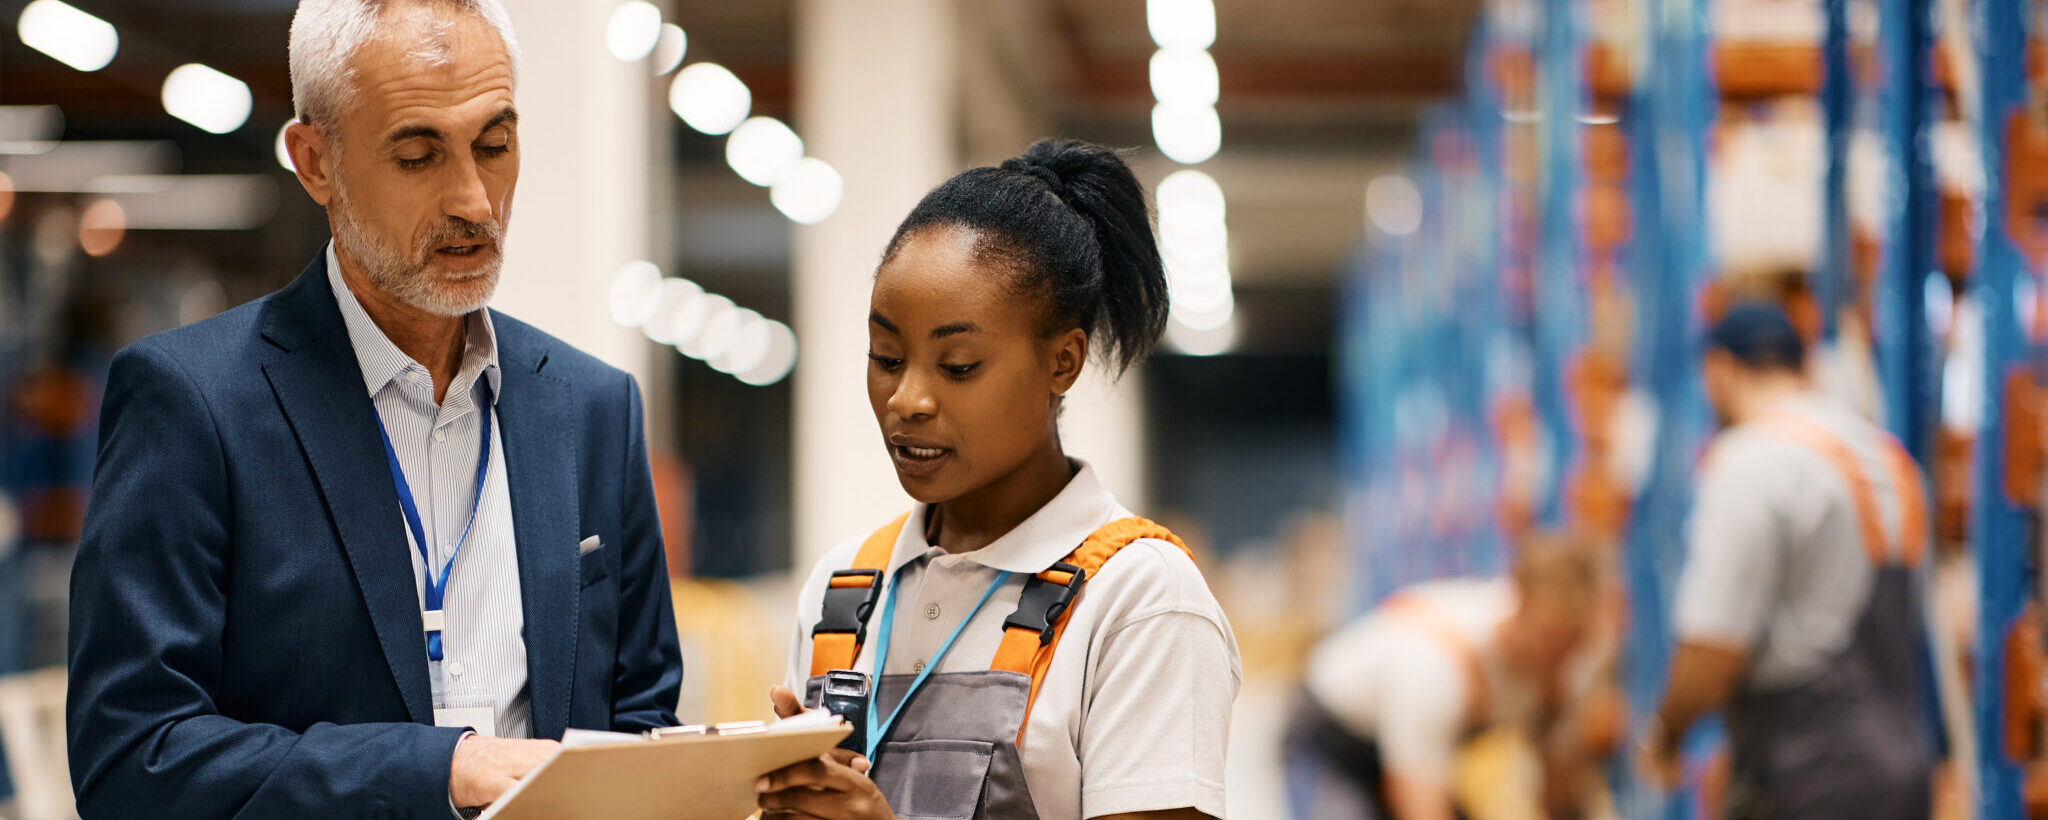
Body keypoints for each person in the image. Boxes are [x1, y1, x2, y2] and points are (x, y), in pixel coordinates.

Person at [64, 1, 682, 816]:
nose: (474, 200)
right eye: (420, 156)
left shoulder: (594, 408)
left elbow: (639, 723)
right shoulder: (192, 403)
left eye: (495, 146)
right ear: (314, 161)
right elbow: (132, 756)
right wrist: (440, 771)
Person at [755, 139, 1241, 820]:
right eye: (887, 357)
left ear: (1062, 362)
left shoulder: (1141, 601)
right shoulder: (843, 592)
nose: (906, 400)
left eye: (957, 367)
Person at [1642, 301, 1933, 819]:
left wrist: (1667, 732)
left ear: (1719, 370)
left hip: (1810, 772)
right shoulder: (1883, 455)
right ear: (1804, 367)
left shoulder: (1750, 461)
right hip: (1901, 761)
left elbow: (1713, 648)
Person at [1281, 533, 1613, 820]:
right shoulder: (1440, 668)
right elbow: (1418, 804)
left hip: (1414, 744)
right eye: (1551, 639)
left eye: (1573, 645)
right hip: (1334, 738)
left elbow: (1557, 790)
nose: (1560, 659)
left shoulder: (1563, 664)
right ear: (1519, 605)